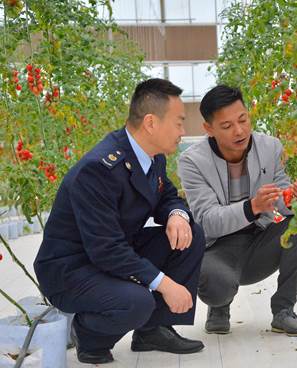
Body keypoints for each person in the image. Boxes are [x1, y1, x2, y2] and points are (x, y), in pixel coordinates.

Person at [34, 78, 205, 364]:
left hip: (111, 251)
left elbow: (168, 197)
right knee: (138, 301)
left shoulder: (152, 157)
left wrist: (177, 215)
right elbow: (106, 249)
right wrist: (165, 284)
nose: (183, 131)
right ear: (151, 123)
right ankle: (89, 337)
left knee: (190, 236)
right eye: (178, 123)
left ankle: (152, 331)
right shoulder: (99, 169)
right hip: (72, 268)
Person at [178, 85, 297, 337]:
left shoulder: (270, 147)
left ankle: (284, 311)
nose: (239, 130)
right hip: (217, 248)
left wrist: (293, 198)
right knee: (216, 285)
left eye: (243, 120)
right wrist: (252, 206)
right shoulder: (192, 162)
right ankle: (219, 307)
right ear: (208, 129)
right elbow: (207, 221)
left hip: (260, 240)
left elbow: (283, 205)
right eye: (227, 125)